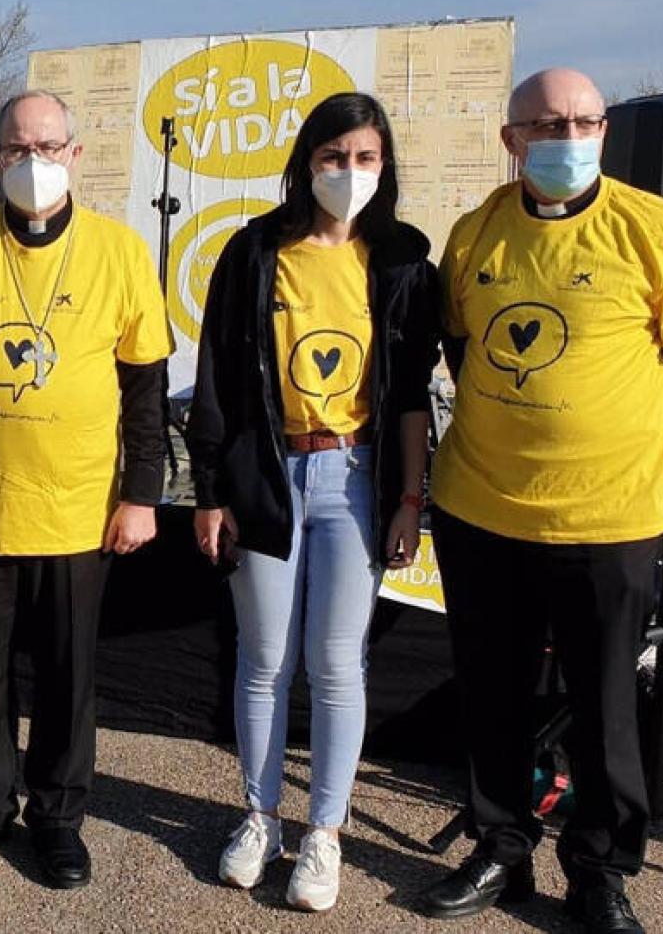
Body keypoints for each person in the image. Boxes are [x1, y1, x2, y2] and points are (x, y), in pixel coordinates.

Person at [417, 68, 663, 934]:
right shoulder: (475, 234)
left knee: (605, 705)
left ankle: (600, 870)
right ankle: (500, 849)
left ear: (604, 132)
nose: (568, 136)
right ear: (512, 140)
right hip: (484, 509)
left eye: (584, 120)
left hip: (610, 518)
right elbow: (459, 346)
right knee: (492, 694)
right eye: (547, 124)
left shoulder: (659, 231)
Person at [0, 90, 172, 889]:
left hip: (80, 507)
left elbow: (146, 392)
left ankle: (57, 817)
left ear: (76, 156)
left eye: (48, 147)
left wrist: (144, 494)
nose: (33, 163)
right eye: (16, 150)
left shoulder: (121, 253)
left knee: (66, 674)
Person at [186, 91, 439, 912]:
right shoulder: (256, 251)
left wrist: (409, 498)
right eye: (334, 158)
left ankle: (323, 834)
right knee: (263, 662)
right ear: (305, 163)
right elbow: (220, 378)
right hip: (268, 476)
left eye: (366, 158)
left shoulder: (400, 261)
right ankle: (259, 817)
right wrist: (213, 491)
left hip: (355, 480)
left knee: (336, 667)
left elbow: (408, 397)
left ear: (385, 166)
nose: (349, 173)